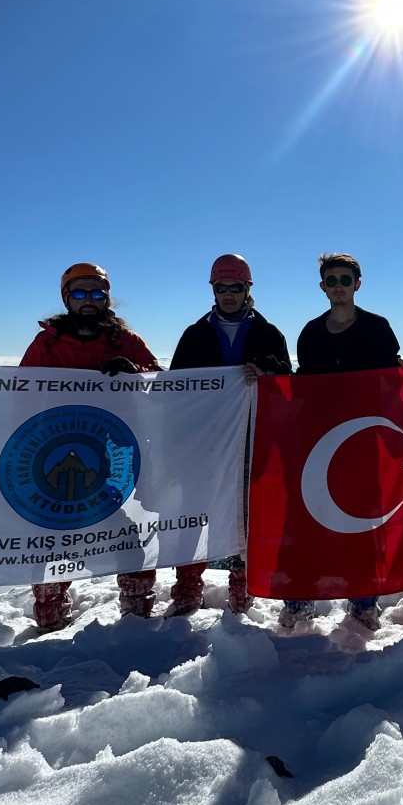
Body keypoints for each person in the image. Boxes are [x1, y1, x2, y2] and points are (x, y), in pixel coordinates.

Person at [19, 263, 161, 630]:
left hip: (113, 454)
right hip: (53, 449)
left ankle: (137, 610)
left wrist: (136, 373)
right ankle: (50, 611)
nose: (89, 300)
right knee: (54, 535)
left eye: (97, 293)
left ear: (107, 298)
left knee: (124, 533)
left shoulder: (126, 341)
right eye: (80, 293)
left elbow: (162, 388)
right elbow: (20, 392)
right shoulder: (47, 342)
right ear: (67, 298)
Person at [281, 252, 401, 631]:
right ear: (322, 286)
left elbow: (394, 377)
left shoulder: (377, 328)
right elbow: (302, 383)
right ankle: (300, 599)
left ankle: (363, 602)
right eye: (331, 281)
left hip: (363, 442)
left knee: (361, 522)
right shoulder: (311, 333)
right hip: (317, 441)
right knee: (305, 521)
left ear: (357, 284)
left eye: (344, 280)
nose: (338, 287)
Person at [168, 254, 291, 615]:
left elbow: (288, 384)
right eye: (221, 287)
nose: (228, 294)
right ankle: (187, 587)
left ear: (247, 289)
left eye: (235, 287)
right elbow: (173, 388)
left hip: (251, 440)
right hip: (203, 443)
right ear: (213, 290)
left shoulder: (269, 334)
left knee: (245, 516)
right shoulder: (195, 335)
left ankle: (242, 587)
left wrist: (271, 372)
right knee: (194, 513)